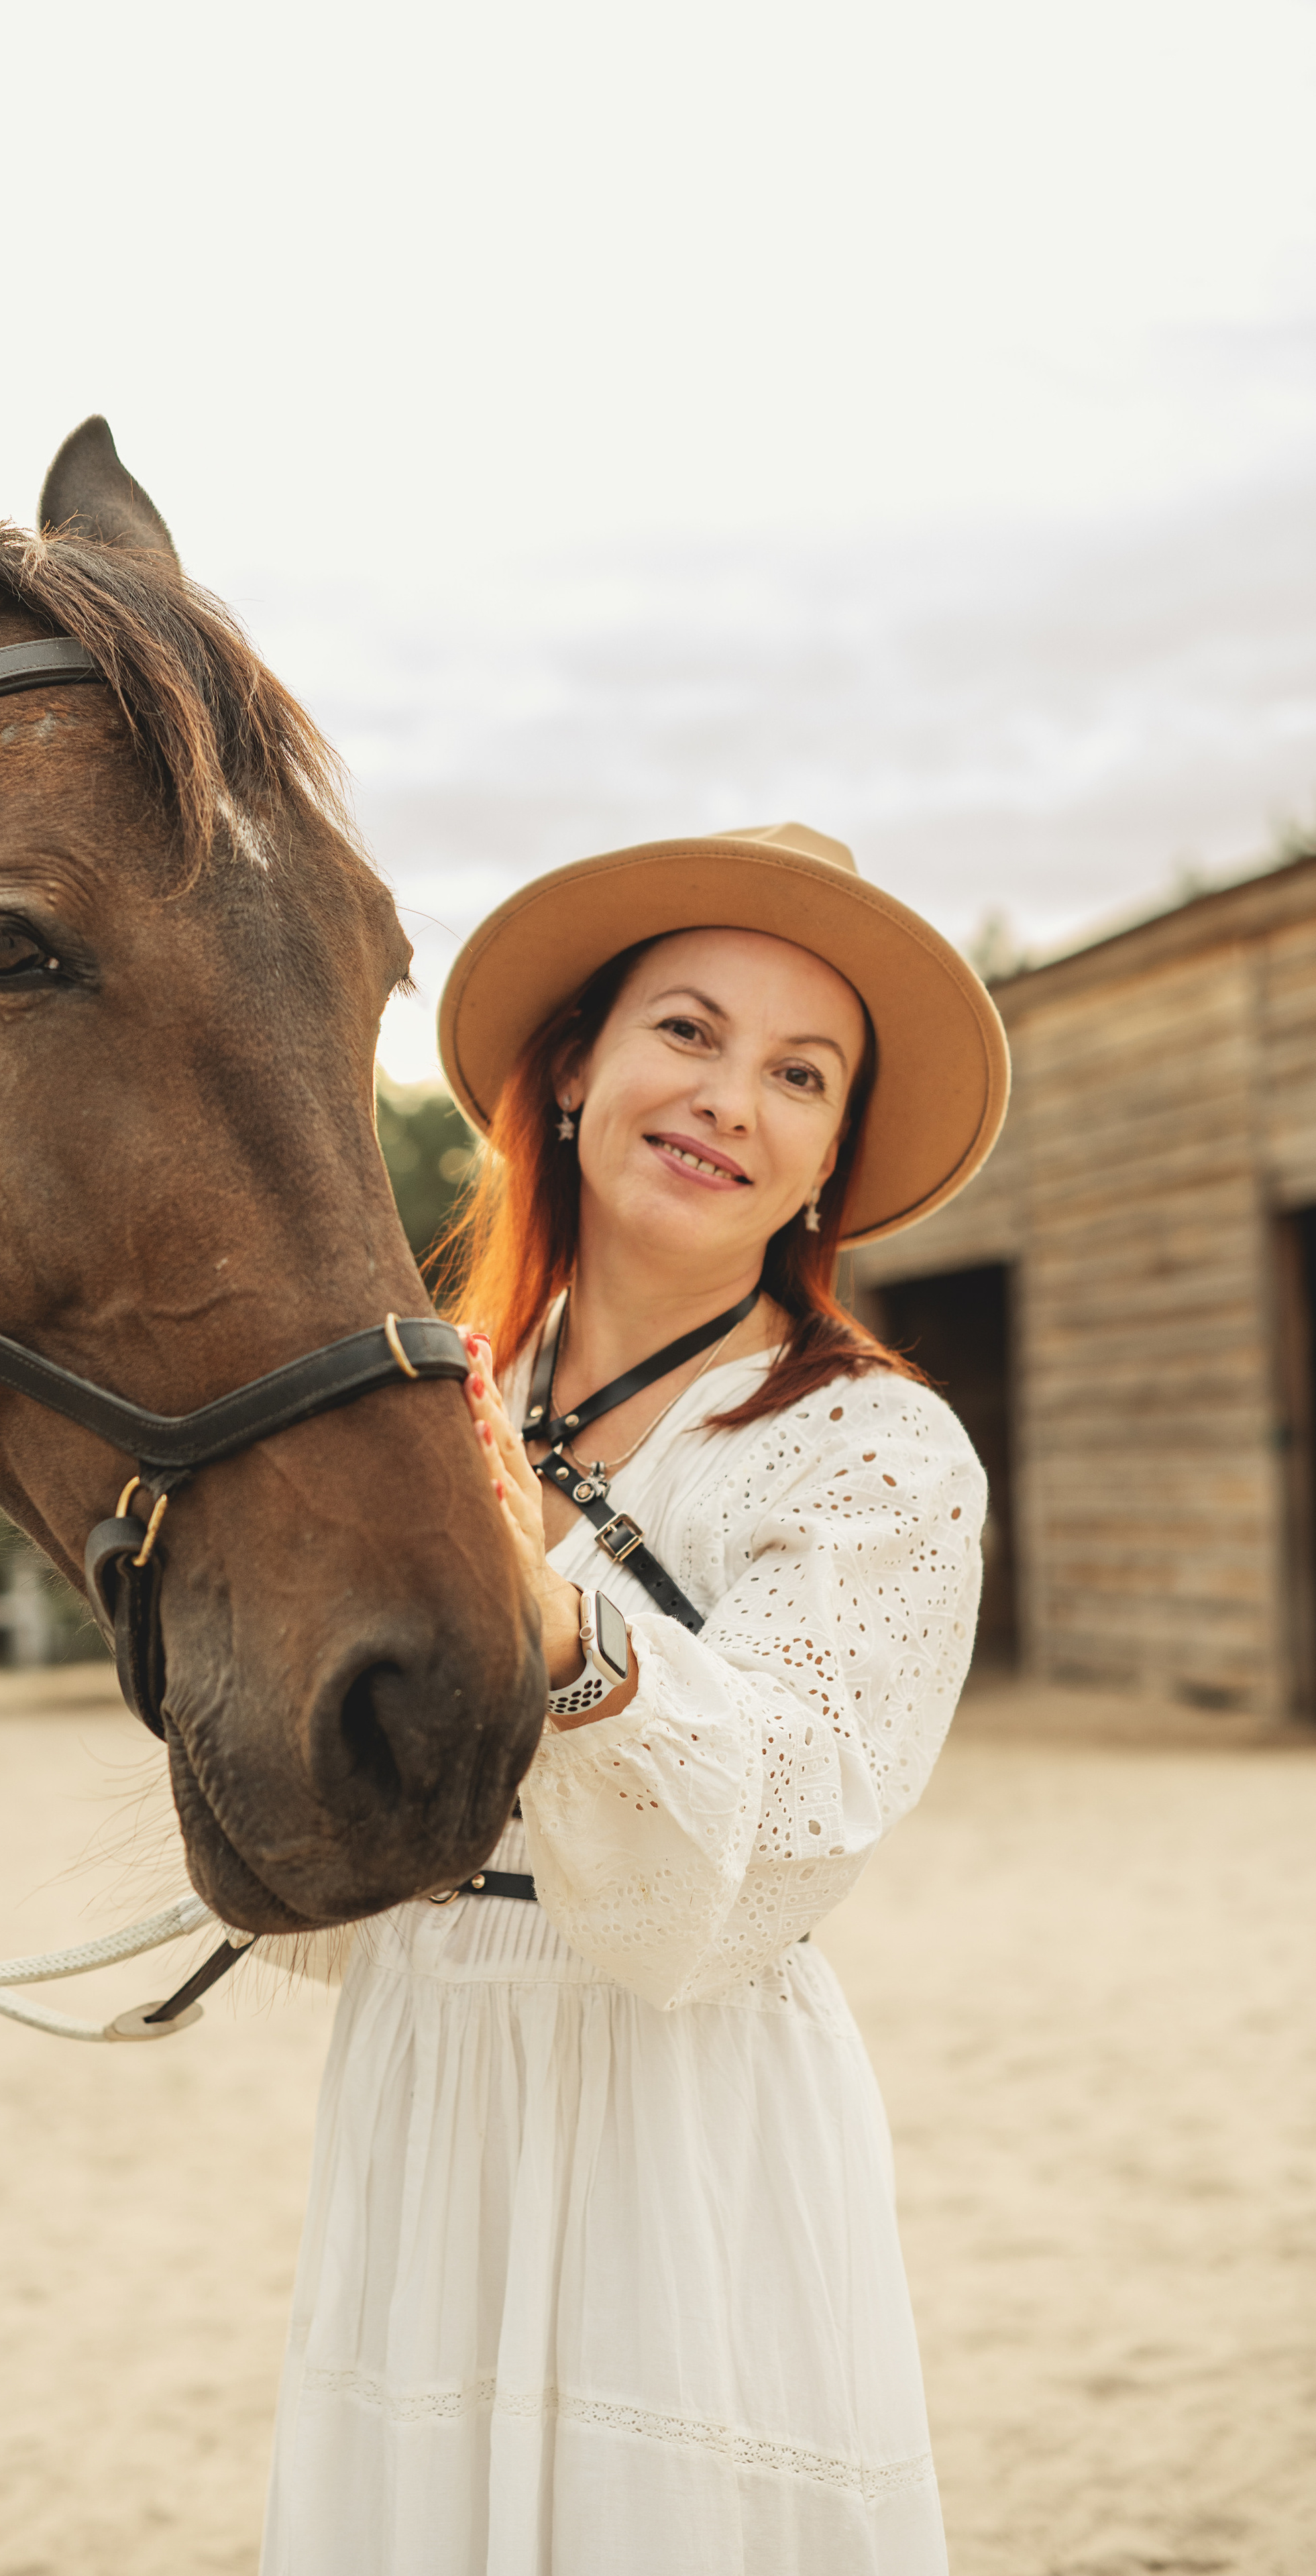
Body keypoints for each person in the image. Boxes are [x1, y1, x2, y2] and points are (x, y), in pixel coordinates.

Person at [258, 822, 1011, 2575]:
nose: (730, 1096)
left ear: (830, 1157)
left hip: (686, 2112)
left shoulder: (877, 1454)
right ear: (579, 1067)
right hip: (428, 2066)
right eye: (688, 1030)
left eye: (799, 1073)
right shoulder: (415, 1404)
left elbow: (782, 1847)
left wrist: (554, 1625)